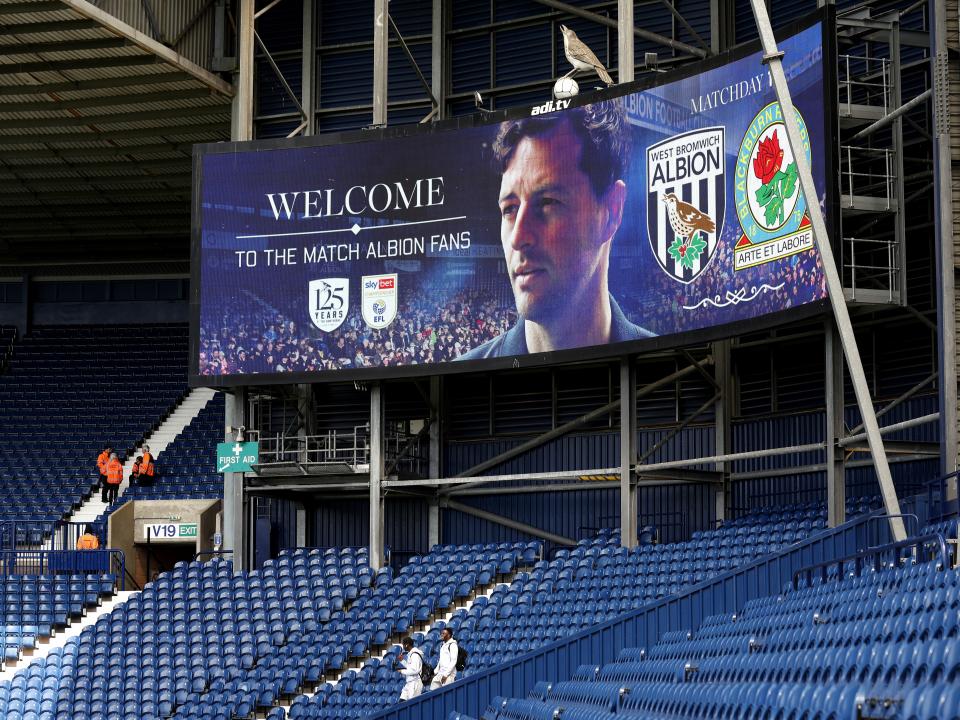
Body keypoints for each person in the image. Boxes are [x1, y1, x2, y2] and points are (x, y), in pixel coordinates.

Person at [459, 100, 654, 361]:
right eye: (509, 209)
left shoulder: (670, 372)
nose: (517, 237)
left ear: (611, 212)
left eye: (548, 202)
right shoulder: (462, 382)